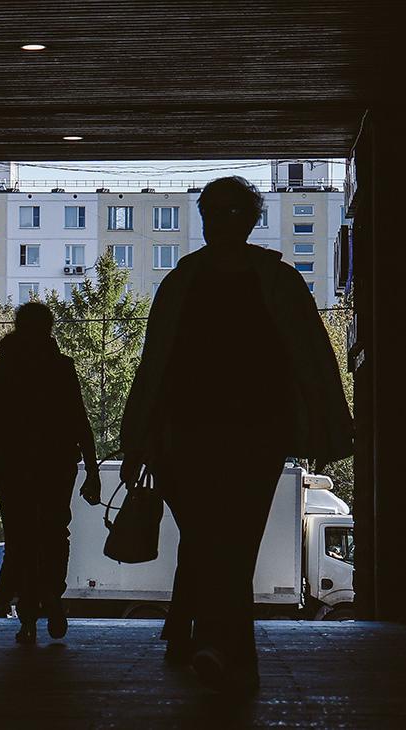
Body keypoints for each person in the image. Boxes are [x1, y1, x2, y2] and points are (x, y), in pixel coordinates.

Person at [120, 176, 353, 693]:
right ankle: (224, 648)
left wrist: (139, 437)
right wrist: (325, 430)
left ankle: (209, 641)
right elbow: (313, 363)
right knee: (232, 543)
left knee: (208, 541)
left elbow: (154, 366)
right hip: (254, 436)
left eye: (221, 212)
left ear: (245, 219)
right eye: (212, 212)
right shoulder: (276, 281)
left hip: (190, 437)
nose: (216, 222)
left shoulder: (182, 282)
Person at [0, 301, 101, 644]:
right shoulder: (61, 368)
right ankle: (52, 598)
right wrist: (91, 469)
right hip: (56, 466)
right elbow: (79, 420)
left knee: (21, 540)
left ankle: (28, 615)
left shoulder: (4, 371)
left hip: (15, 468)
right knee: (56, 533)